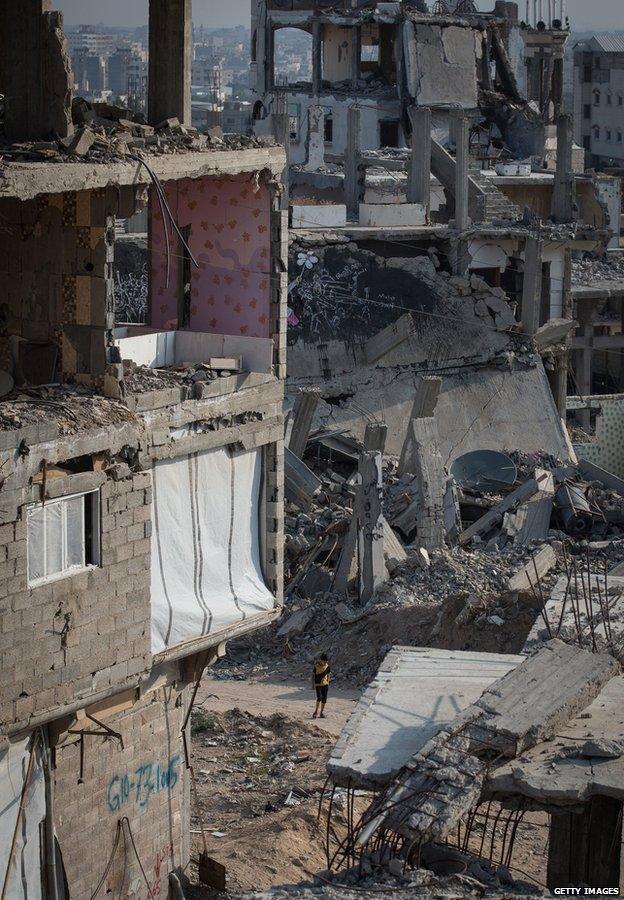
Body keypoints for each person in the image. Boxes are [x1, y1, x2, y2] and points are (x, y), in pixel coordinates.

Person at [312, 653, 330, 719]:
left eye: (326, 661)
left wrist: (328, 681)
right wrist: (313, 684)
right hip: (318, 684)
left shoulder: (327, 666)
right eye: (324, 661)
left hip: (325, 684)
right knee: (319, 698)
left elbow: (328, 674)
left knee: (324, 699)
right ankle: (315, 712)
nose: (325, 663)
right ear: (321, 660)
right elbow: (313, 675)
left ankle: (321, 713)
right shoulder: (316, 666)